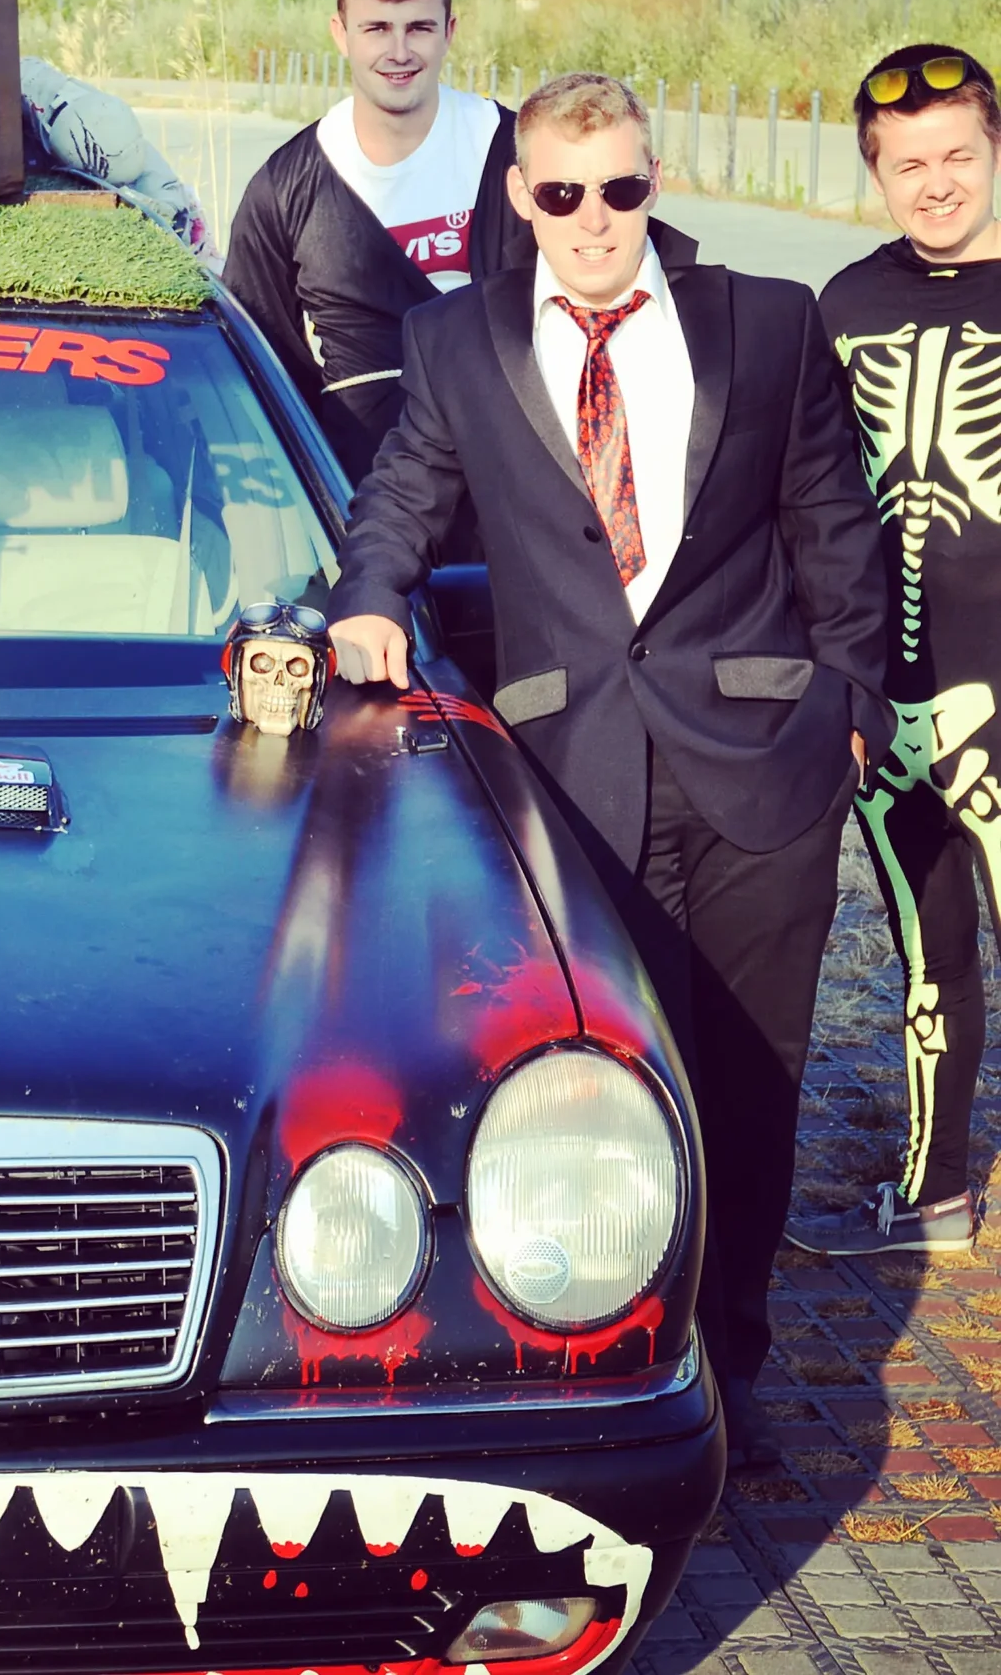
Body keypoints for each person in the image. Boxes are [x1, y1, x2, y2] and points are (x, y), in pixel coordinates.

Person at [323, 72, 889, 1470]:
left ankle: (733, 1360)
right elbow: (400, 494)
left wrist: (856, 700)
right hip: (572, 777)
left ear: (655, 179)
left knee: (757, 1080)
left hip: (763, 758)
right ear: (520, 193)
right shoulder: (453, 339)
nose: (592, 220)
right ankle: (630, 1348)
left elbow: (837, 521)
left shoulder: (766, 321)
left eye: (621, 188)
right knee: (614, 1079)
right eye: (561, 192)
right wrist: (369, 592)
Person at [793, 44, 1001, 1256]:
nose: (935, 183)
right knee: (928, 960)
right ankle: (930, 1197)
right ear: (875, 174)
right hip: (892, 705)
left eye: (958, 156)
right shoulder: (845, 303)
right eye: (907, 163)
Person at [221, 0, 532, 479]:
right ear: (340, 34)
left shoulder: (519, 151)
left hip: (514, 485)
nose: (398, 51)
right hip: (362, 497)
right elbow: (262, 366)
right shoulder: (285, 186)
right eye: (376, 28)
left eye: (419, 27)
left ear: (449, 32)